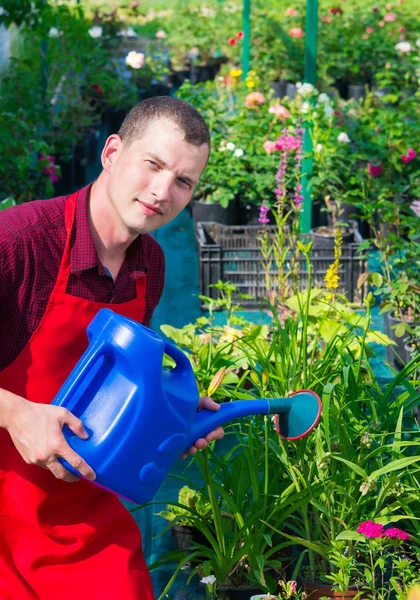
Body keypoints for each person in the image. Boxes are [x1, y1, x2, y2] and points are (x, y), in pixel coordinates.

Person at [0, 96, 224, 600]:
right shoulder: (20, 244)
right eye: (153, 164)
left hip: (82, 514)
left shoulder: (151, 265)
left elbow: (110, 394)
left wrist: (165, 418)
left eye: (183, 181)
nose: (162, 191)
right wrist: (15, 413)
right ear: (111, 152)